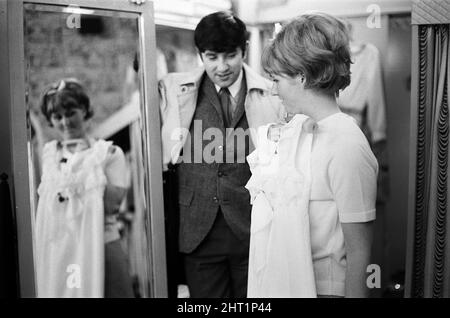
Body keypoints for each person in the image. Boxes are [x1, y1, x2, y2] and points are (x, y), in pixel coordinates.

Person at [246, 13, 378, 297]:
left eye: (277, 79)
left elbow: (360, 253)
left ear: (301, 77)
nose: (273, 89)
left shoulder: (347, 145)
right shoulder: (300, 131)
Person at [159, 11, 284, 298]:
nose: (222, 66)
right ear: (200, 54)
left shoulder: (270, 95)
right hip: (197, 232)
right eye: (212, 56)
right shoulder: (175, 92)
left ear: (245, 50)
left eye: (230, 55)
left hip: (253, 231)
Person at [35, 78, 134, 297]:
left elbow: (111, 206)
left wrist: (88, 168)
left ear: (84, 111)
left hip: (102, 245)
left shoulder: (109, 154)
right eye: (57, 116)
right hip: (63, 251)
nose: (65, 122)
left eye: (71, 113)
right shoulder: (50, 157)